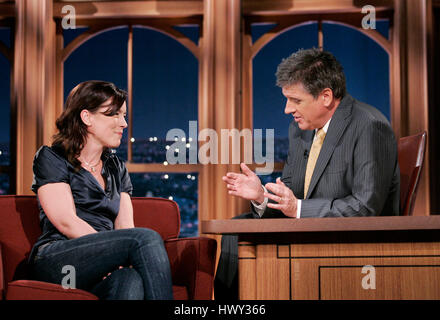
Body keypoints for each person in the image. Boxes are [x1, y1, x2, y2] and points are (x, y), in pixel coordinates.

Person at [214, 48, 400, 299]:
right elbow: (293, 195)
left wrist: (298, 209)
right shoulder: (300, 130)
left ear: (325, 96)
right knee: (237, 228)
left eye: (296, 100)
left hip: (353, 244)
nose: (287, 109)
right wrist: (262, 197)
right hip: (310, 233)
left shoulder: (369, 126)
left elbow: (365, 208)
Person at [28, 80, 173, 300]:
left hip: (100, 264)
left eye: (123, 115)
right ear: (87, 117)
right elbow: (67, 222)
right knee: (146, 238)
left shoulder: (116, 168)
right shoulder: (52, 157)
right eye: (113, 114)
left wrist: (112, 258)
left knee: (130, 280)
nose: (123, 123)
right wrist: (111, 255)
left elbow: (125, 227)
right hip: (59, 260)